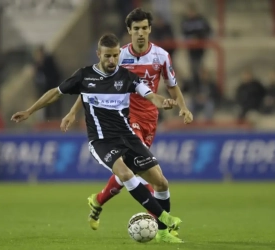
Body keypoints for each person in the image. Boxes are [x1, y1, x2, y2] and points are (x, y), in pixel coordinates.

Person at [11, 33, 184, 243]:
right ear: (98, 54)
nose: (112, 61)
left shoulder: (126, 77)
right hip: (101, 141)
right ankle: (165, 219)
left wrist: (162, 102)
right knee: (125, 174)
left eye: (115, 56)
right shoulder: (84, 76)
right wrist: (29, 111)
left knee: (161, 182)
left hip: (127, 137)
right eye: (107, 56)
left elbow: (150, 95)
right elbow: (56, 92)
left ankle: (163, 233)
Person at [60, 8, 193, 240]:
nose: (141, 33)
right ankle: (163, 226)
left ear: (150, 29)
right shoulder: (117, 56)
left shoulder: (161, 56)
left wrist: (183, 107)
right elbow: (93, 86)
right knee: (143, 175)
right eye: (136, 29)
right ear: (129, 31)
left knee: (135, 176)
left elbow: (172, 85)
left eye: (144, 28)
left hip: (151, 118)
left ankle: (98, 200)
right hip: (126, 119)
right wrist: (73, 112)